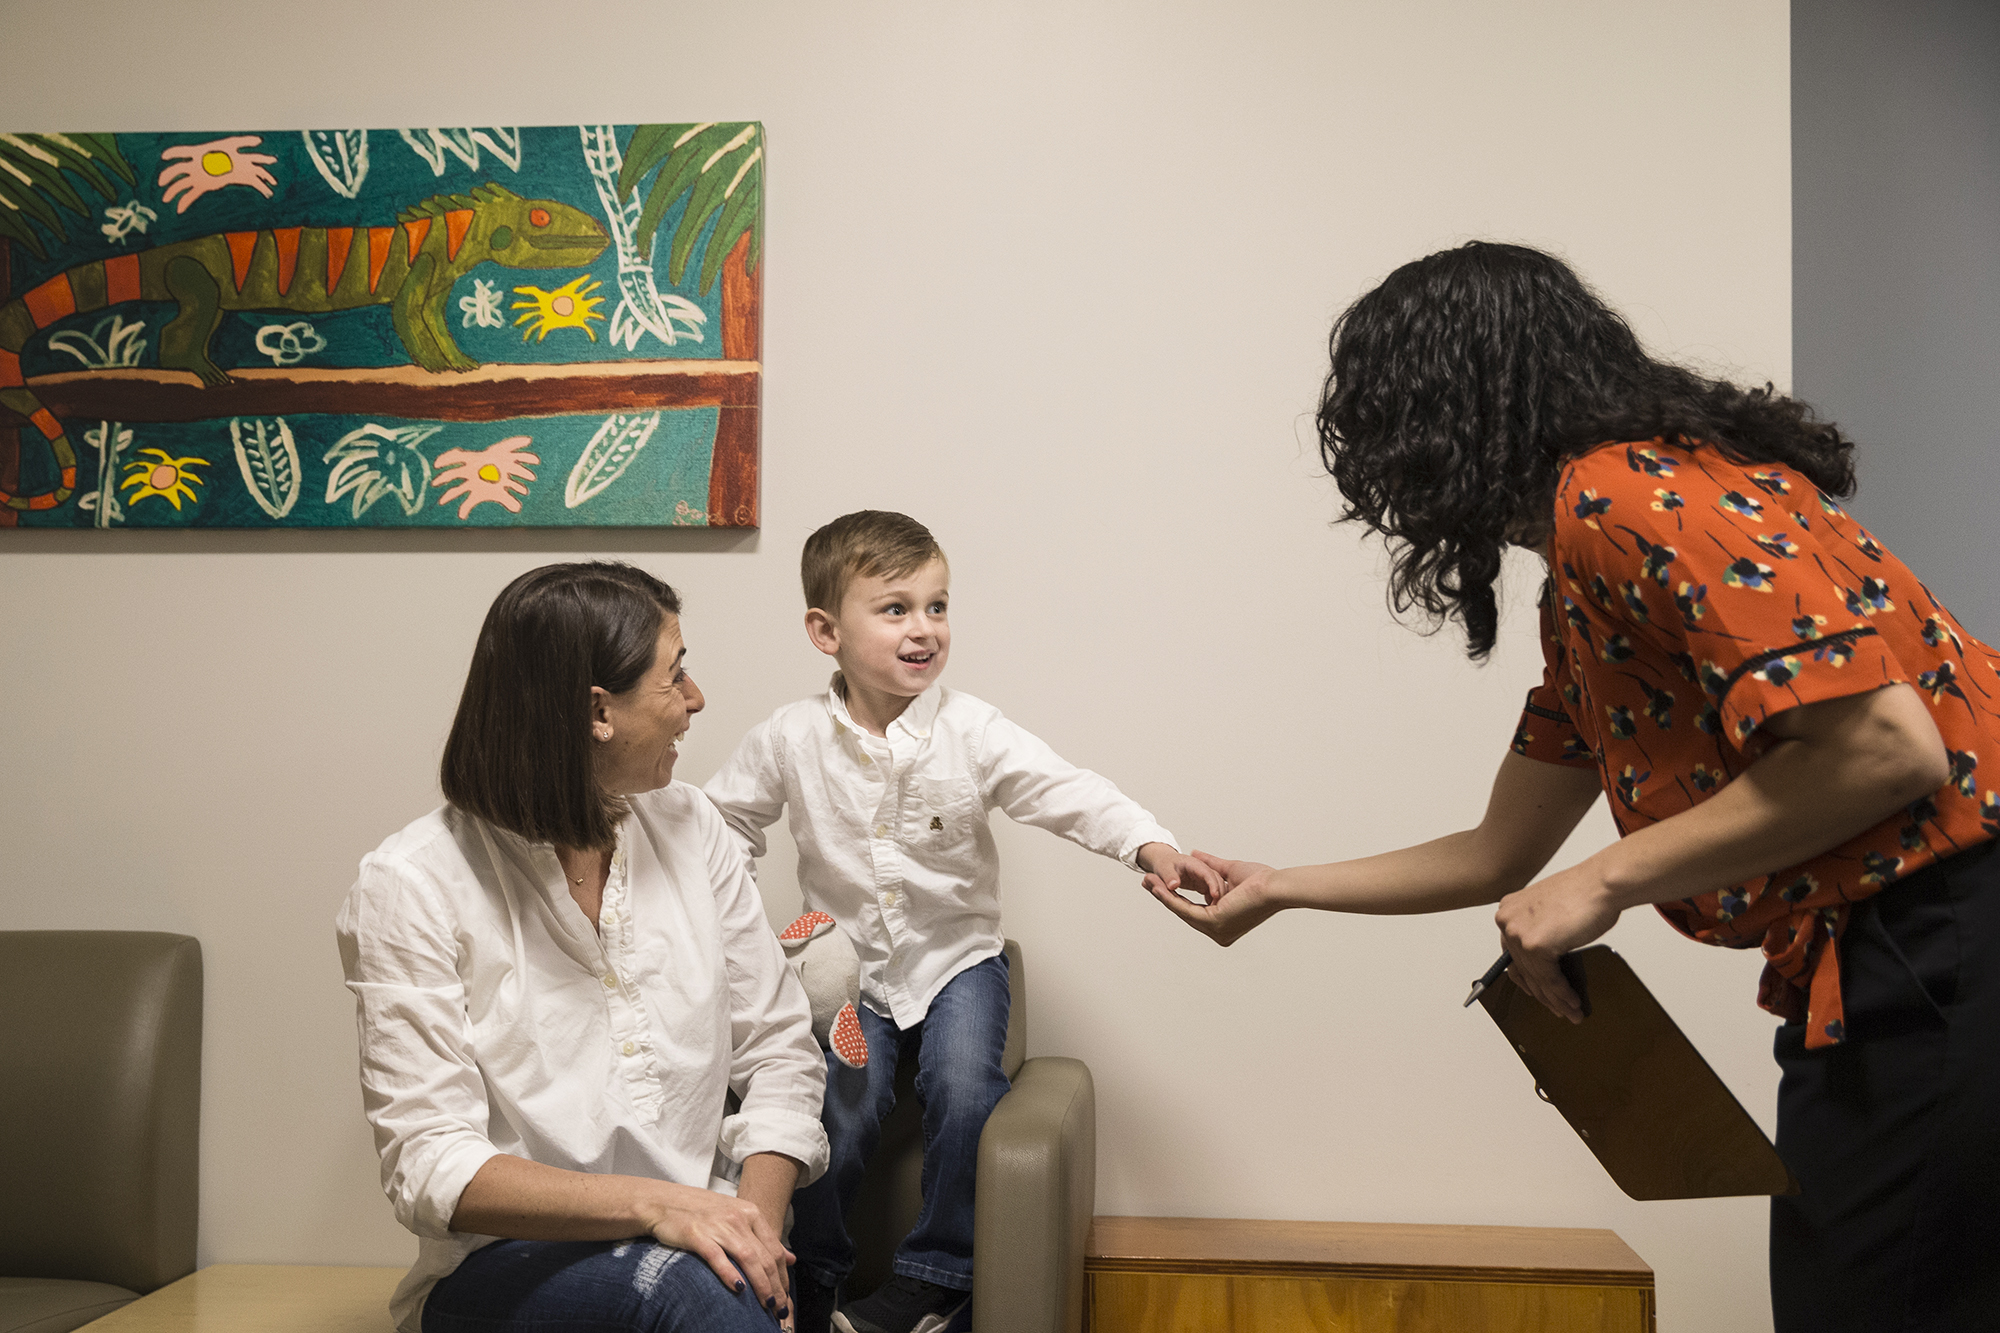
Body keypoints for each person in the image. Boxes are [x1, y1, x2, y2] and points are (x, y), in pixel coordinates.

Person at [1148, 242, 2000, 1333]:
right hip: (1905, 948)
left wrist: (1606, 878)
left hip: (1951, 930)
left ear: (1456, 407)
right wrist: (1278, 887)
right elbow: (1499, 854)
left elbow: (1884, 750)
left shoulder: (1621, 496)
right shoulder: (1590, 576)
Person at [703, 510, 1222, 1333]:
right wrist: (727, 920)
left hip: (959, 964)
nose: (924, 629)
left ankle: (936, 1274)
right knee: (839, 1101)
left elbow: (1066, 789)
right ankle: (817, 1277)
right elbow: (720, 821)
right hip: (849, 978)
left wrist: (1150, 845)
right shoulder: (790, 736)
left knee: (963, 1085)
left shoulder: (971, 729)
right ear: (825, 629)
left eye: (938, 606)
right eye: (897, 608)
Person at [336, 562, 830, 1333]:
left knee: (704, 1283)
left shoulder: (692, 827)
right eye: (676, 675)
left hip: (707, 1256)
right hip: (500, 1269)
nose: (696, 700)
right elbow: (429, 1163)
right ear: (598, 711)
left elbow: (779, 1050)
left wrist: (750, 1230)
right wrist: (664, 1205)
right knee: (680, 1286)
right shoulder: (409, 883)